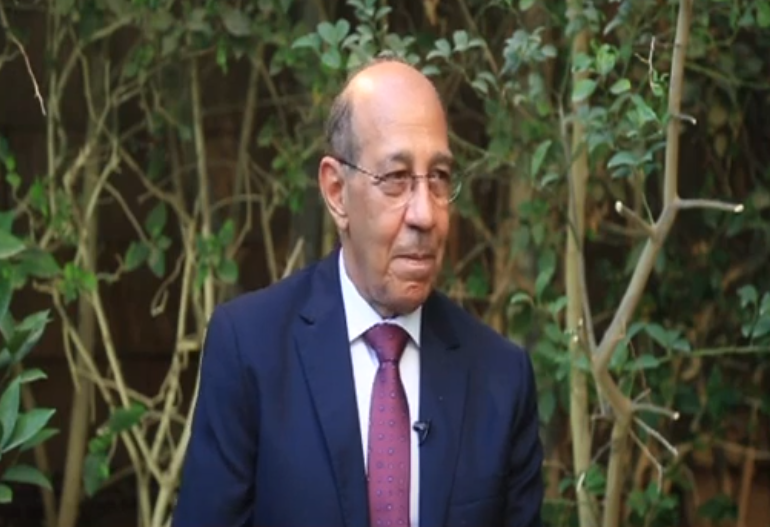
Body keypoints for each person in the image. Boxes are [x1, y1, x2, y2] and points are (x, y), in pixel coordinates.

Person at [171, 56, 545, 527]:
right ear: (336, 191)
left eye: (439, 178)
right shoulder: (250, 350)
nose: (425, 215)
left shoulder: (501, 377)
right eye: (396, 179)